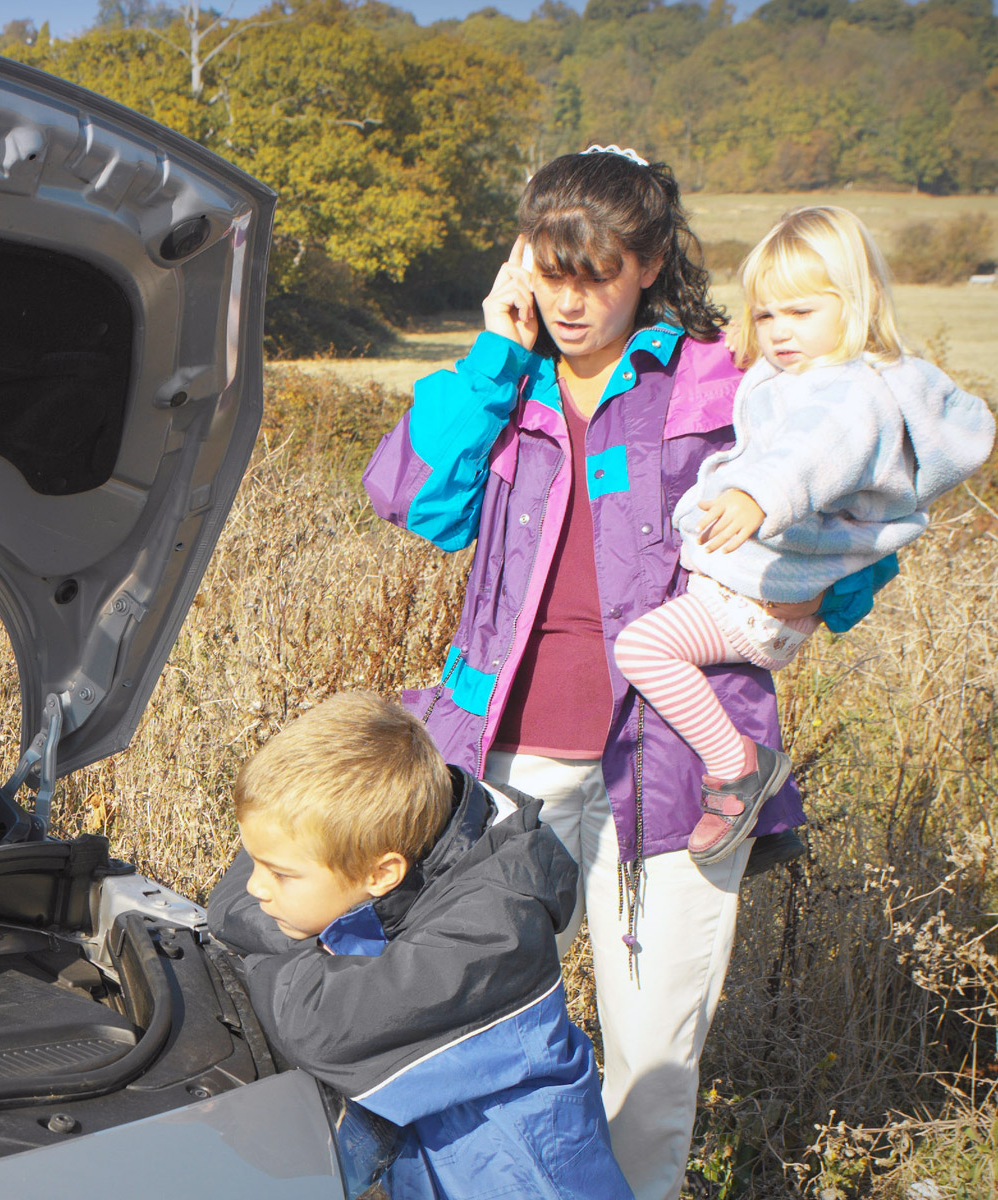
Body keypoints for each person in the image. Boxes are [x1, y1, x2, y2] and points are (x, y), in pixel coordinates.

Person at [359, 146, 893, 1199]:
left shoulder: (718, 378)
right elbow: (413, 499)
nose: (570, 298)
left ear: (648, 262)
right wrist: (492, 350)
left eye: (595, 271)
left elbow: (860, 484)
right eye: (551, 270)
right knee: (467, 1021)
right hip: (504, 762)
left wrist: (818, 595)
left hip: (675, 768)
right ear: (523, 262)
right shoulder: (504, 378)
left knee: (651, 1057)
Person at [614, 206, 994, 865]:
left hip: (752, 607)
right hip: (764, 600)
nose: (779, 333)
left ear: (856, 304)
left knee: (642, 649)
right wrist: (748, 344)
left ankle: (739, 771)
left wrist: (758, 495)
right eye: (766, 315)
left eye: (799, 314)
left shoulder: (848, 393)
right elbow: (782, 399)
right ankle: (765, 827)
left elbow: (809, 452)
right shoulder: (816, 371)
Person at [208, 690, 631, 1199]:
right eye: (257, 862)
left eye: (278, 873)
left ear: (382, 872)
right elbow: (230, 905)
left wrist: (264, 965)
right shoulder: (390, 843)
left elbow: (318, 1024)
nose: (256, 886)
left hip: (523, 1180)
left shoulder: (491, 935)